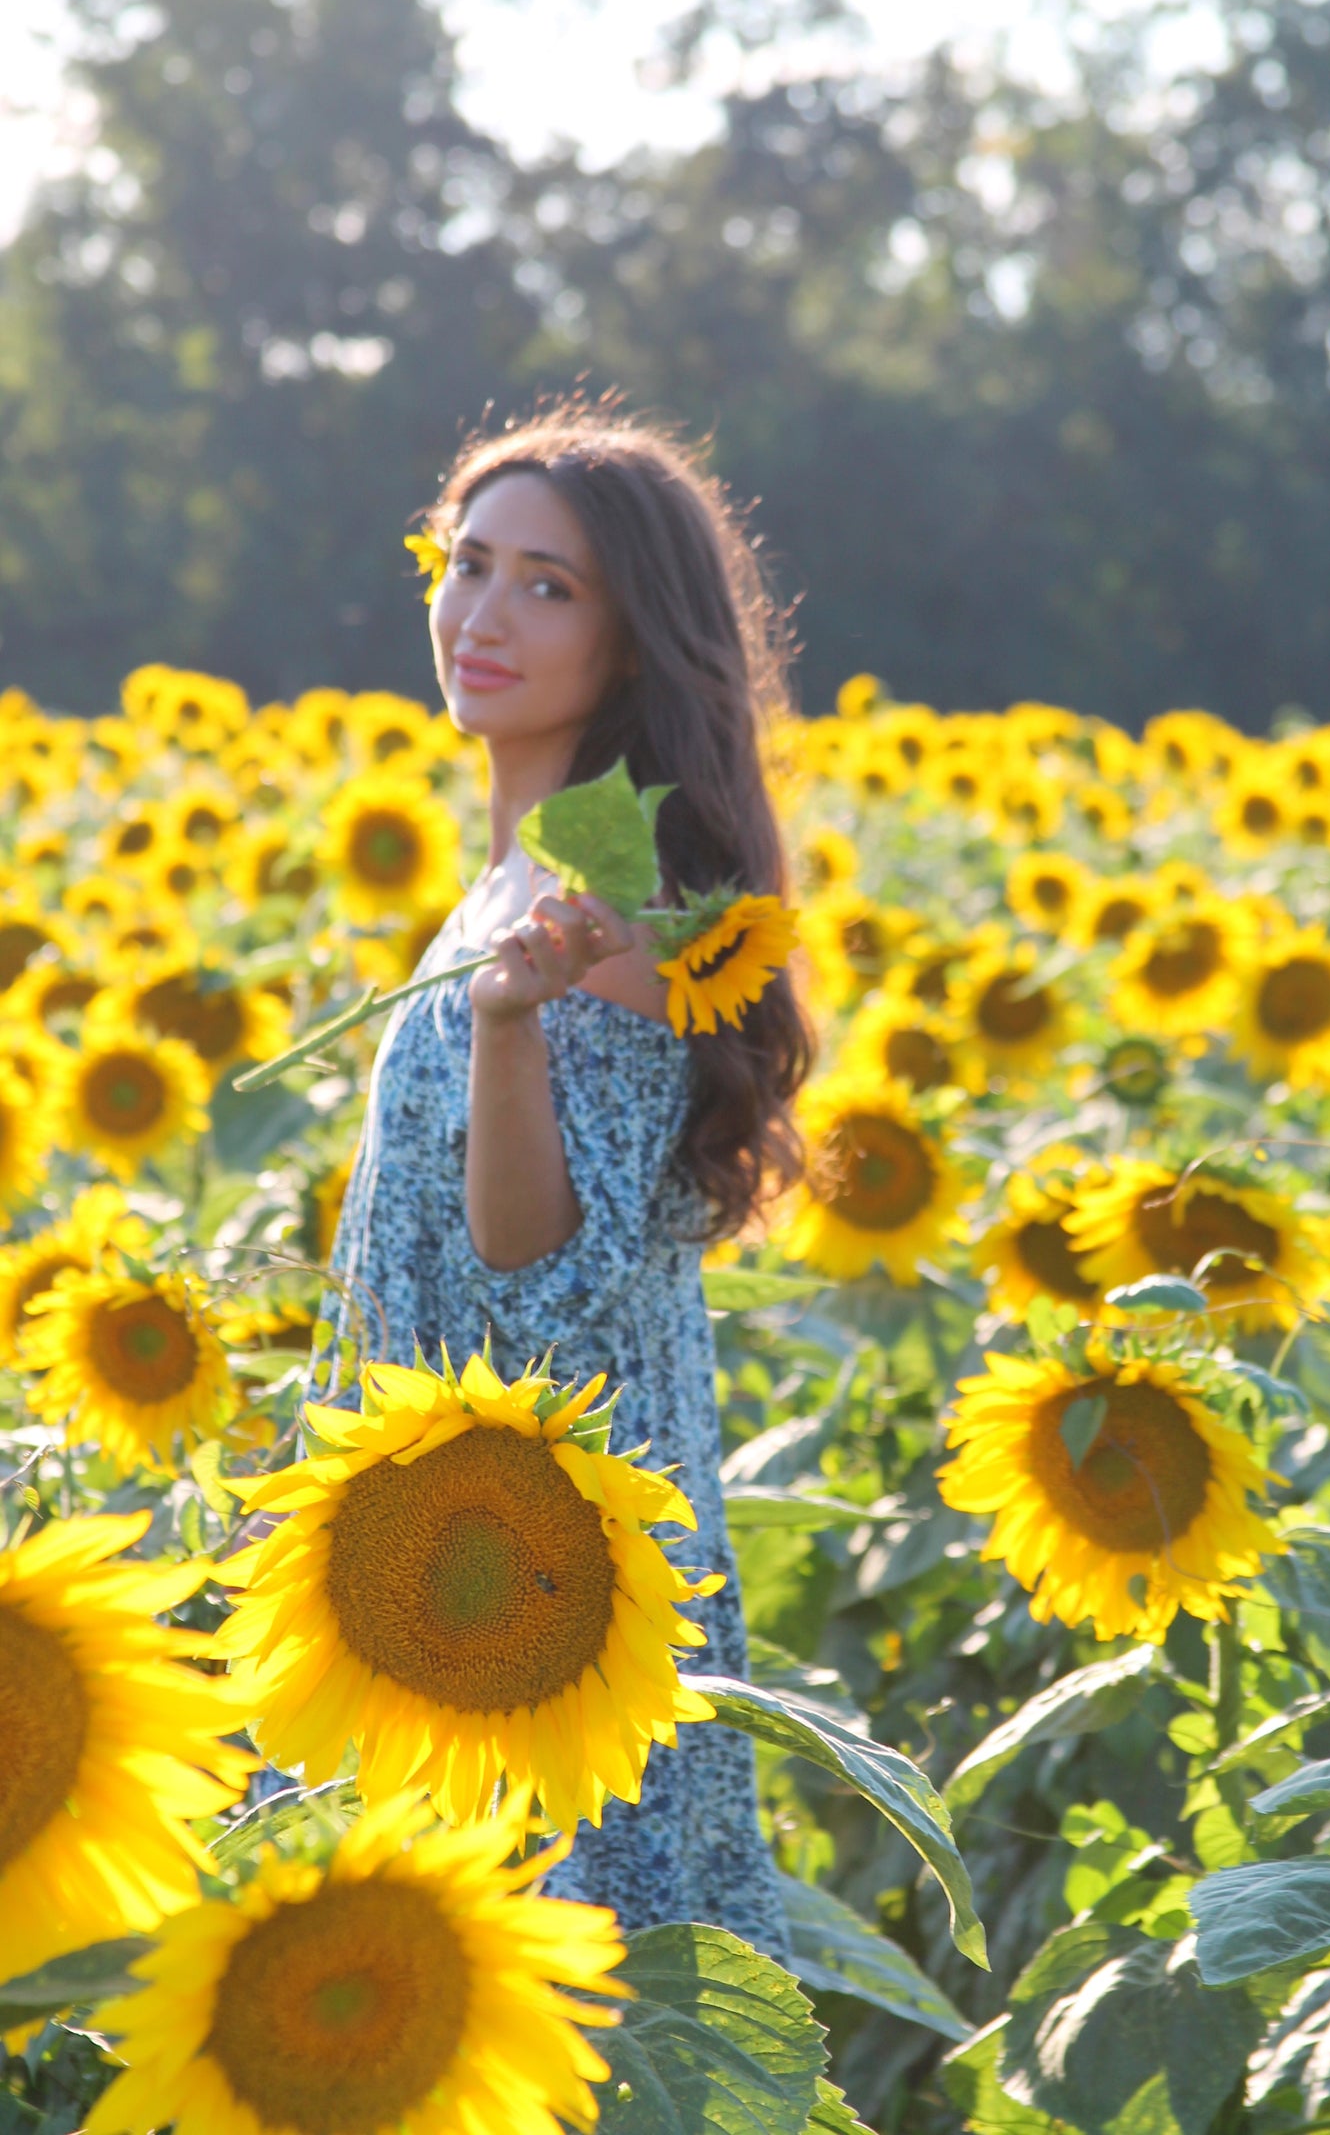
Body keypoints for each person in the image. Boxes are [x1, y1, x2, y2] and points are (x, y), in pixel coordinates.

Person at [314, 399, 812, 1958]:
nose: (482, 614)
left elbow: (539, 1265)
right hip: (472, 1541)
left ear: (634, 640)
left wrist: (507, 1025)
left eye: (548, 585)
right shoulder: (519, 881)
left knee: (568, 2023)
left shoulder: (606, 906)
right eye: (469, 565)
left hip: (539, 1583)